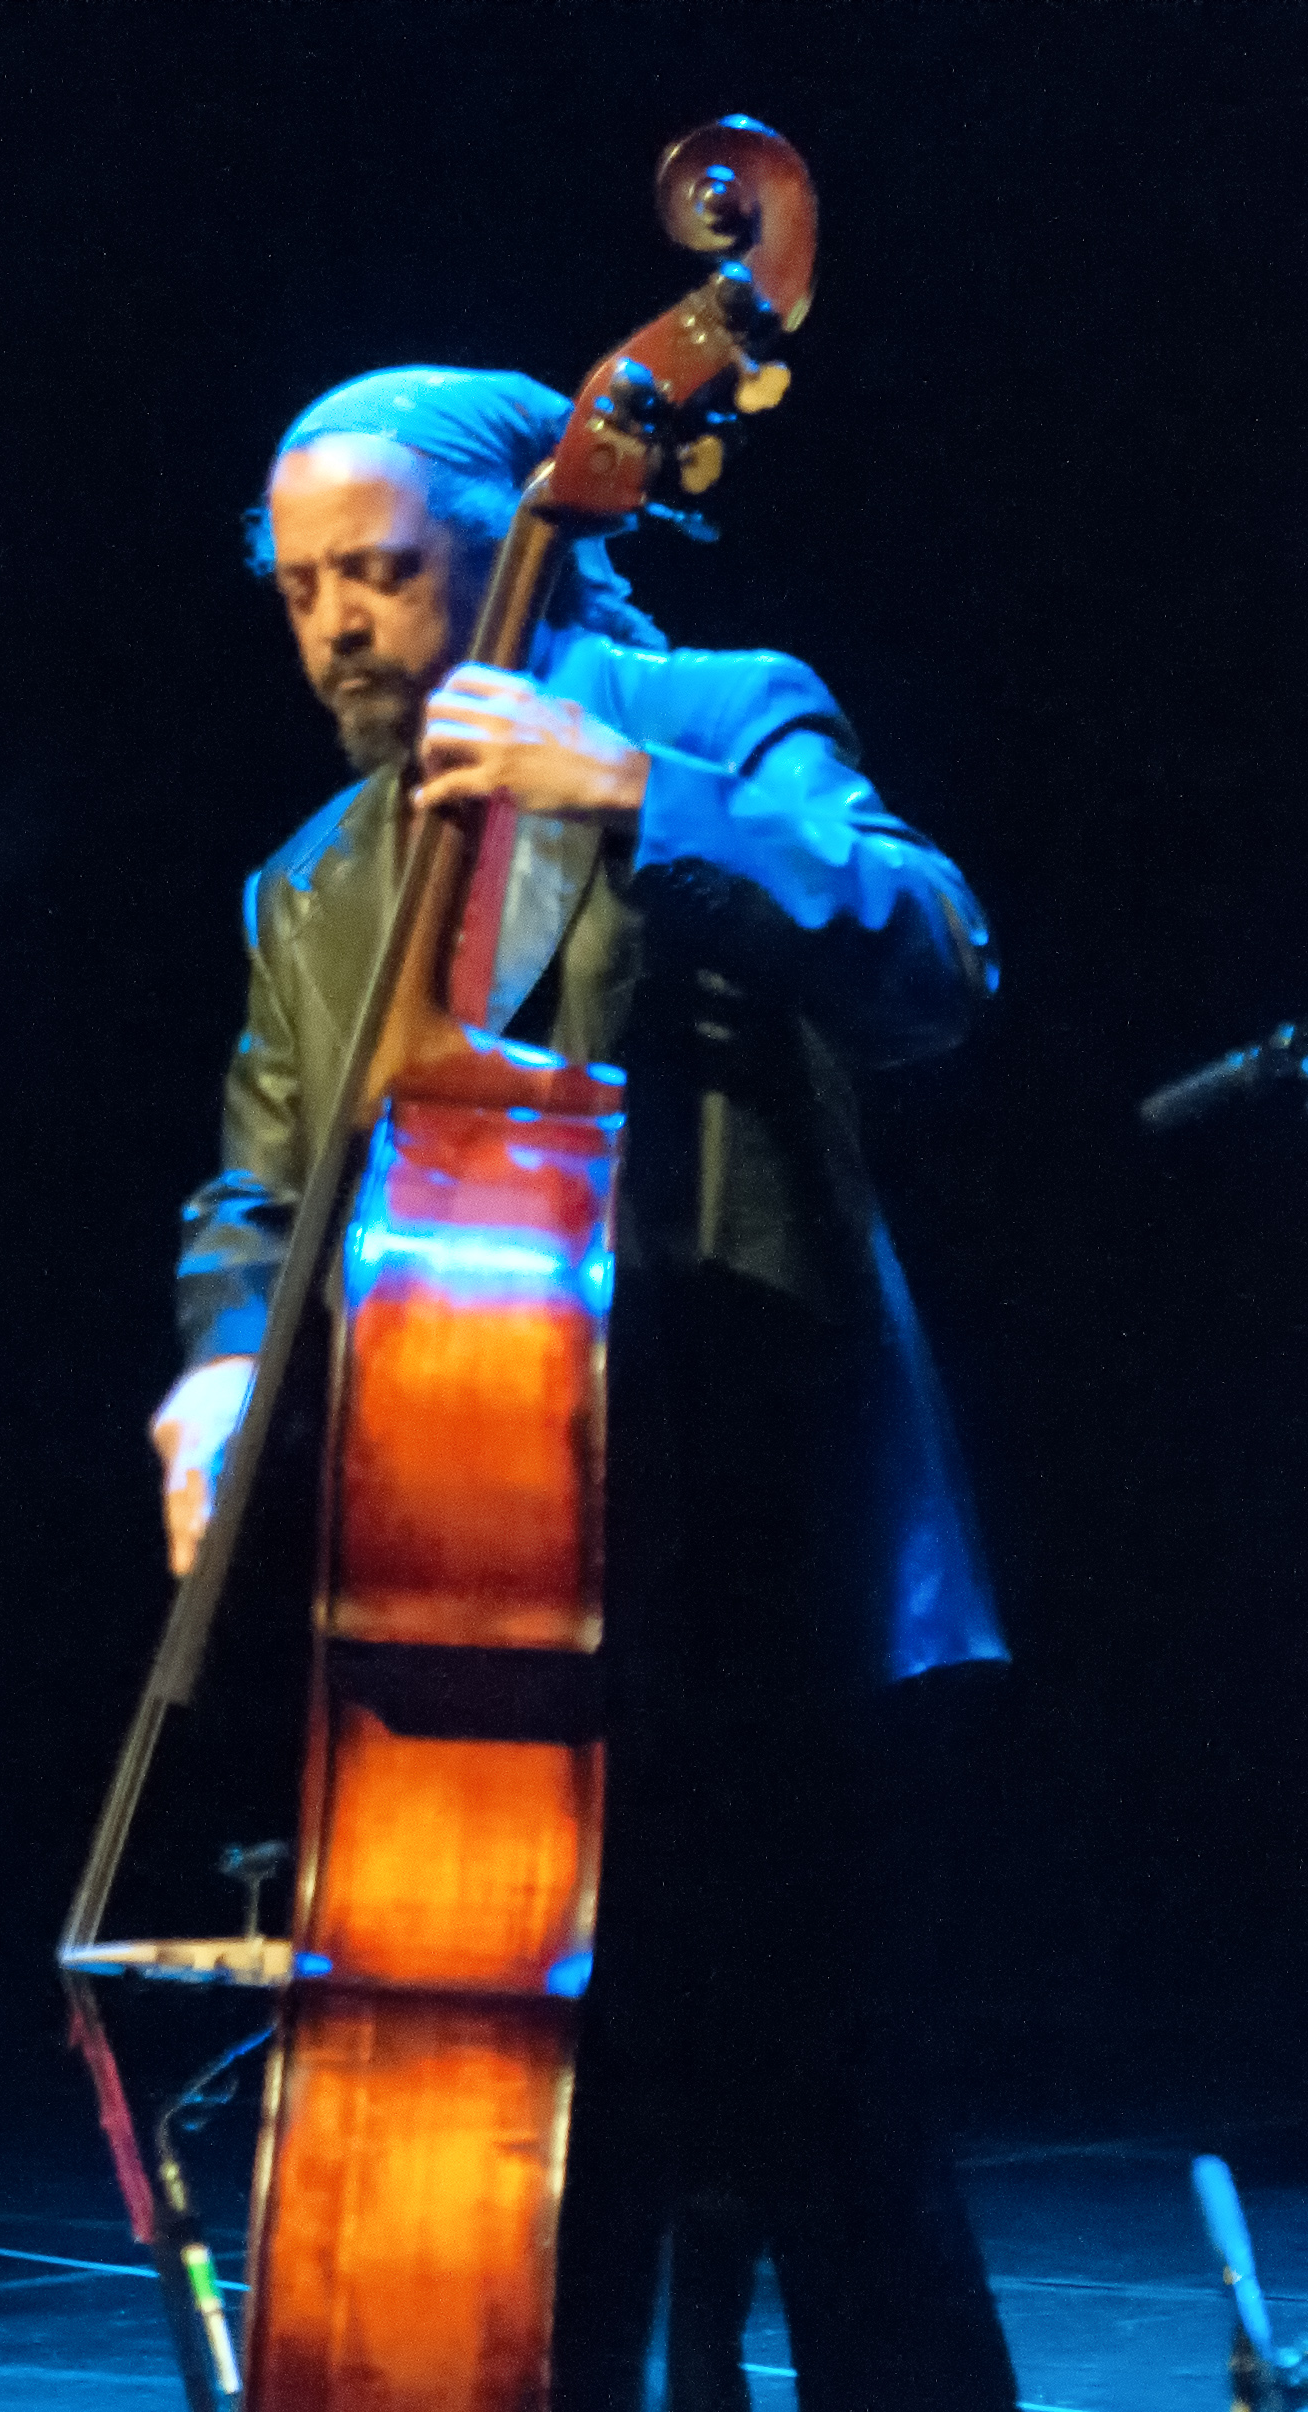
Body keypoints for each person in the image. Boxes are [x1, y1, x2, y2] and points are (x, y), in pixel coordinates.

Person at [151, 366, 1019, 2412]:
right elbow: (256, 1191)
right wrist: (209, 1378)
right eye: (299, 591)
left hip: (767, 1578)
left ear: (521, 546)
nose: (335, 627)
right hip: (489, 1631)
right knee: (559, 2172)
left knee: (841, 2159)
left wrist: (633, 798)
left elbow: (930, 956)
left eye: (379, 574)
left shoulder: (714, 714)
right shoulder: (311, 883)